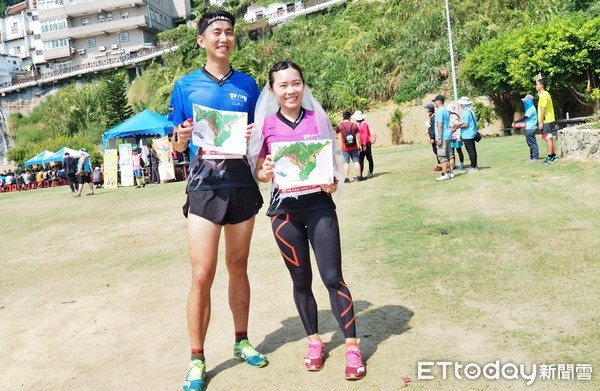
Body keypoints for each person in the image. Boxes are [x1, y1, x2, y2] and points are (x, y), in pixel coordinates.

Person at [168, 10, 267, 391]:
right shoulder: (185, 85)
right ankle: (197, 358)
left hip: (241, 183)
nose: (223, 38)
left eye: (229, 32)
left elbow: (260, 139)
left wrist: (256, 133)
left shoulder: (249, 85)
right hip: (203, 185)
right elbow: (176, 143)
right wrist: (181, 134)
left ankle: (242, 340)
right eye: (215, 32)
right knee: (201, 274)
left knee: (238, 265)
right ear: (201, 40)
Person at [254, 61, 366, 380]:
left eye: (296, 83)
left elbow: (332, 161)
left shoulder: (318, 118)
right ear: (272, 90)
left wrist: (332, 180)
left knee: (333, 277)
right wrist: (266, 171)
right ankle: (314, 341)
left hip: (319, 207)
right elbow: (260, 170)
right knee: (301, 280)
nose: (291, 90)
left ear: (304, 85)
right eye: (283, 85)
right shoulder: (267, 126)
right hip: (283, 213)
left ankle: (352, 347)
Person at [432, 95, 455, 181]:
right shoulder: (446, 110)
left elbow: (440, 125)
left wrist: (439, 138)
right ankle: (451, 173)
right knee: (450, 155)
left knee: (442, 156)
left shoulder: (439, 112)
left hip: (443, 136)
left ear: (439, 101)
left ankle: (445, 173)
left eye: (435, 101)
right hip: (448, 135)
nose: (434, 103)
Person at [335, 111, 362, 182]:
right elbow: (358, 136)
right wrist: (360, 145)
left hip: (345, 148)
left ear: (343, 117)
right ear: (350, 117)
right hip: (354, 147)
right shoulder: (354, 125)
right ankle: (359, 176)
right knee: (356, 161)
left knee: (346, 163)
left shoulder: (340, 126)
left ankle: (347, 178)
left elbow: (336, 132)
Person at [536, 77, 557, 163]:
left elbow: (543, 109)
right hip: (549, 119)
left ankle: (549, 156)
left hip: (546, 120)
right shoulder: (545, 94)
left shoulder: (543, 96)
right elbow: (540, 94)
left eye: (537, 85)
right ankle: (553, 155)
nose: (535, 86)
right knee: (549, 137)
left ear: (541, 86)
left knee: (547, 138)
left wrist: (541, 122)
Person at [456, 96, 479, 173]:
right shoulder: (471, 111)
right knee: (473, 150)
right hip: (472, 133)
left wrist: (457, 126)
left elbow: (466, 125)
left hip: (467, 134)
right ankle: (474, 165)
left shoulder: (466, 112)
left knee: (470, 151)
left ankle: (473, 166)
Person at [512, 94, 539, 161]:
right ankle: (532, 157)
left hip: (531, 128)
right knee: (530, 143)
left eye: (525, 101)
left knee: (532, 143)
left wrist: (516, 121)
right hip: (529, 128)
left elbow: (525, 117)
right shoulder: (530, 108)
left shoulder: (531, 108)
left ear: (528, 101)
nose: (524, 103)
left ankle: (535, 157)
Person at [352, 110, 376, 179]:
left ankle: (370, 172)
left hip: (366, 144)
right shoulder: (361, 124)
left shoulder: (363, 124)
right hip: (363, 144)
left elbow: (365, 135)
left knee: (368, 157)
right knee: (361, 159)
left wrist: (364, 145)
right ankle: (360, 174)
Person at [425, 103, 442, 172]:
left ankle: (440, 165)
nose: (426, 110)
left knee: (437, 151)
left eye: (426, 108)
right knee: (436, 151)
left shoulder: (433, 117)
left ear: (429, 110)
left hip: (435, 137)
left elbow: (434, 129)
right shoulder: (432, 116)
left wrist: (433, 138)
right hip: (434, 136)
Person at [447, 103, 465, 170]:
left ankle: (461, 164)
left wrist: (458, 137)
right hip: (451, 137)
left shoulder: (455, 117)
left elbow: (458, 127)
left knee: (459, 151)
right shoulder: (448, 116)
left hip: (456, 137)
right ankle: (453, 164)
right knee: (452, 152)